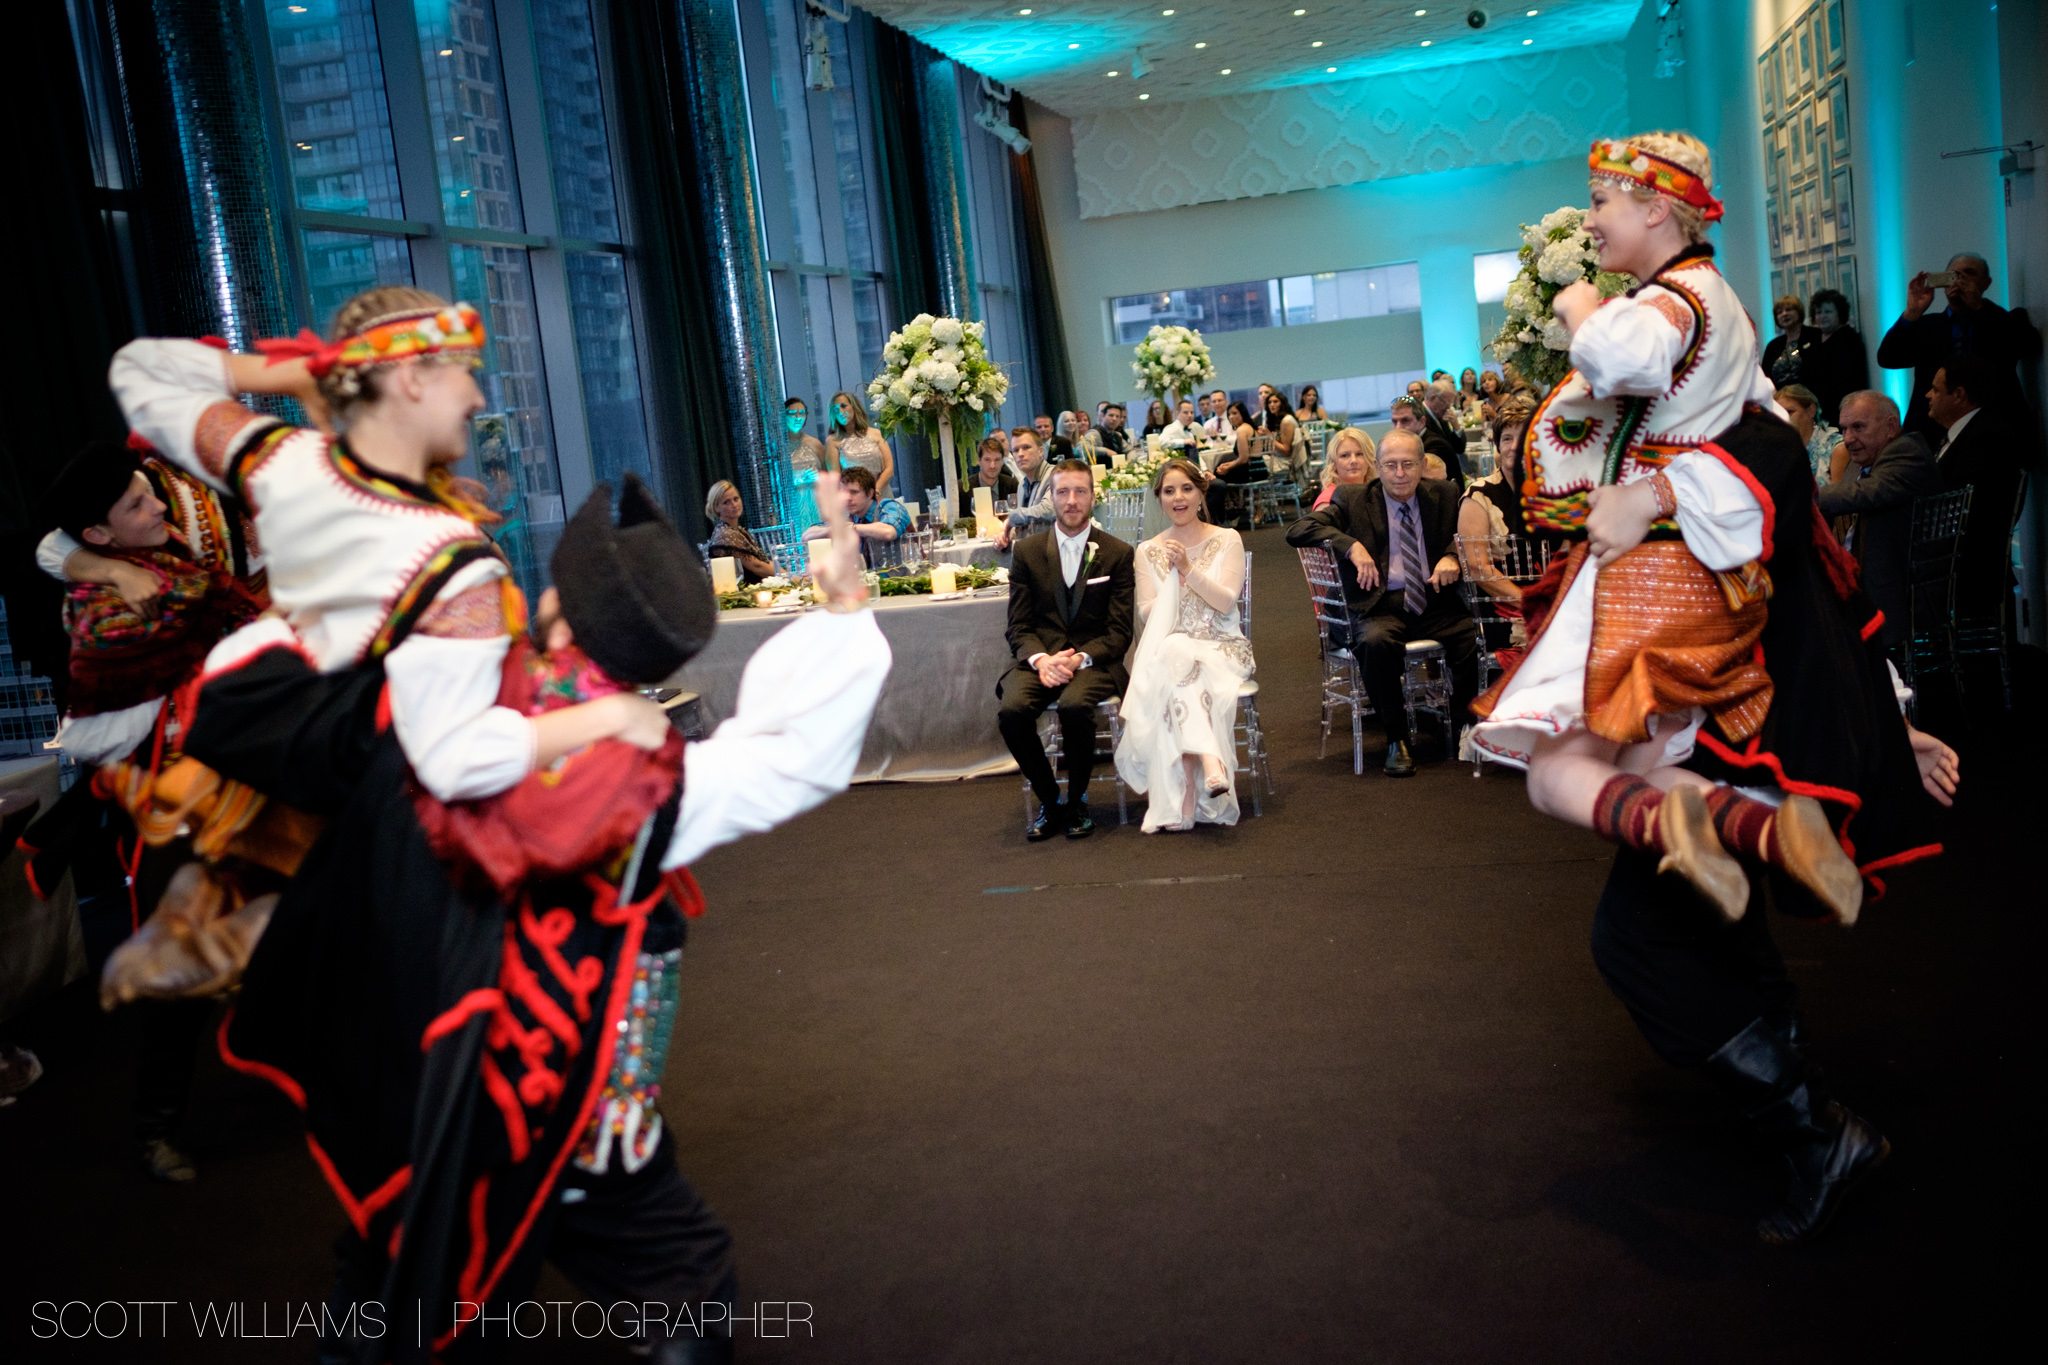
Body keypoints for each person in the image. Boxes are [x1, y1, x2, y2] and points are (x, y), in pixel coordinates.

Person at [192, 473, 890, 1364]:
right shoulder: (650, 769)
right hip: (578, 1100)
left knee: (404, 1271)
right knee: (679, 1282)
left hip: (432, 1081)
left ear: (556, 605)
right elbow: (796, 754)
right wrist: (842, 610)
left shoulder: (441, 704)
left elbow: (239, 705)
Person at [1471, 132, 1958, 1245]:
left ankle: (1808, 1125)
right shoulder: (1736, 415)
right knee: (1671, 895)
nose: (1589, 221)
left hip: (1687, 639)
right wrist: (1891, 714)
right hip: (1707, 646)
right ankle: (1799, 1103)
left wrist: (1572, 308)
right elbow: (1812, 573)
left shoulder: (1686, 320)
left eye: (1601, 201)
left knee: (1601, 870)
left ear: (1660, 208)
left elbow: (1632, 377)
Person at [106, 285, 664, 809]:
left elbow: (139, 371)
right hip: (390, 816)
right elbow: (454, 758)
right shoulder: (444, 553)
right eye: (464, 372)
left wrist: (296, 373)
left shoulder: (283, 462)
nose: (476, 397)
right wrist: (611, 716)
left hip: (300, 775)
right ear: (411, 378)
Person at [26, 439, 270, 1182]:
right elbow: (107, 725)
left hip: (247, 788)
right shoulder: (109, 602)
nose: (157, 506)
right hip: (173, 812)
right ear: (98, 534)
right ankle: (153, 1128)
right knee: (179, 978)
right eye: (138, 504)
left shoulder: (186, 544)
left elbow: (239, 605)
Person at [1286, 430, 1474, 776]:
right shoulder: (1353, 499)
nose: (1399, 473)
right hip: (1379, 604)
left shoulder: (1445, 494)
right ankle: (1396, 738)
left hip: (1431, 601)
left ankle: (1466, 726)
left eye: (1407, 464)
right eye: (1390, 465)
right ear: (1379, 467)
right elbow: (1298, 530)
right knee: (1375, 642)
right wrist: (1350, 546)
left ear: (1421, 465)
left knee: (1472, 635)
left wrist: (1451, 556)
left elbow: (1467, 537)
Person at [996, 459, 1136, 841]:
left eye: (1080, 491)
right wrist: (1042, 660)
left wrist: (1077, 658)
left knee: (1075, 707)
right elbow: (1019, 626)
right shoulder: (1026, 552)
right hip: (1040, 660)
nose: (1071, 500)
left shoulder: (1118, 553)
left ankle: (1077, 801)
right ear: (1051, 497)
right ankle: (1050, 799)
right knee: (1011, 712)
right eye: (1063, 492)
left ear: (1093, 496)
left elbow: (1119, 632)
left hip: (1094, 661)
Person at [1114, 459, 1253, 832]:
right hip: (1174, 649)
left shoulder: (1227, 539)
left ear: (1200, 492)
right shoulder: (1147, 550)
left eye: (1186, 489)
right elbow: (1145, 612)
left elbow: (1225, 601)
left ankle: (1186, 796)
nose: (1178, 498)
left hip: (1221, 645)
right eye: (1169, 491)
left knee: (1176, 660)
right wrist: (1172, 590)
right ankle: (1210, 763)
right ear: (1159, 498)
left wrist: (1188, 570)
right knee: (1176, 653)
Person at [1817, 392, 1939, 650]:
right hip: (1863, 582)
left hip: (1899, 592)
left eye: (1858, 427)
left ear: (1891, 427)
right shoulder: (1858, 462)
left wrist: (1802, 496)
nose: (1848, 439)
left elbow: (1864, 494)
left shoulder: (1908, 451)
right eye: (1844, 429)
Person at [1877, 252, 2037, 440]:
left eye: (1969, 273)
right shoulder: (1926, 325)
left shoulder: (2004, 320)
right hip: (1932, 429)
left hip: (1995, 429)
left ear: (1986, 283)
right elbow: (1888, 358)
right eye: (1953, 275)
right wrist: (1912, 312)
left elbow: (2027, 345)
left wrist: (1979, 305)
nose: (1960, 280)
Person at [1927, 352, 2026, 627]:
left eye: (1936, 389)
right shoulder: (1962, 434)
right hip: (1955, 564)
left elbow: (1957, 506)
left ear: (1958, 395)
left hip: (1969, 571)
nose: (1927, 395)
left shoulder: (1988, 436)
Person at [802, 463, 908, 565]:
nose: (848, 498)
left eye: (854, 492)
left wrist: (853, 528)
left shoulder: (888, 506)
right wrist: (835, 529)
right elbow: (806, 537)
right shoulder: (847, 515)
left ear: (870, 493)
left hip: (902, 579)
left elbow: (889, 532)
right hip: (864, 580)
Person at [1801, 288, 1869, 423]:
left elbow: (1844, 381)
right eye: (1818, 312)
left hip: (1841, 411)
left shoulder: (1849, 338)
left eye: (1828, 311)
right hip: (1817, 411)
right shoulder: (1815, 340)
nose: (1821, 316)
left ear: (1840, 313)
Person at [826, 389, 896, 499]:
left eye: (843, 406)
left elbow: (889, 469)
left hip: (881, 493)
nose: (840, 411)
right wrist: (858, 496)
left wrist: (875, 491)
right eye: (835, 410)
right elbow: (836, 478)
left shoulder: (876, 434)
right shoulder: (833, 441)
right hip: (854, 499)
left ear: (854, 407)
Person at [704, 479, 777, 584]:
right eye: (726, 502)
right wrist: (789, 578)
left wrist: (790, 576)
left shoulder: (739, 530)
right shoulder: (725, 533)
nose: (734, 505)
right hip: (741, 594)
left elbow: (765, 562)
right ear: (716, 508)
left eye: (736, 499)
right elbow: (757, 567)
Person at [997, 426, 1058, 551]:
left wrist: (1012, 518)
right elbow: (1025, 524)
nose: (1020, 454)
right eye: (1015, 450)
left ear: (1041, 451)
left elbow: (1049, 509)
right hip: (1033, 551)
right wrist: (1005, 536)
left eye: (1026, 447)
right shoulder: (1022, 485)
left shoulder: (1055, 475)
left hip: (1054, 552)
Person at [1205, 400, 1259, 530]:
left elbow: (1243, 459)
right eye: (1229, 414)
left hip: (1251, 472)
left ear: (1243, 414)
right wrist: (1227, 465)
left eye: (1235, 413)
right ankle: (1232, 510)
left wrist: (1228, 467)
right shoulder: (1250, 427)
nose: (1231, 417)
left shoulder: (1241, 430)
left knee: (1216, 480)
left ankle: (1224, 515)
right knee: (1220, 470)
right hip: (1257, 468)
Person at [1774, 383, 1842, 484]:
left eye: (1789, 411)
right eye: (1779, 414)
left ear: (1811, 410)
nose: (1783, 418)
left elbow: (1838, 497)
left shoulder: (1836, 448)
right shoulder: (1779, 451)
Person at [1391, 395, 1463, 490]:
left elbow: (1419, 487)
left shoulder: (1435, 445)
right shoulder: (1415, 443)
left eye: (1405, 421)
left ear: (1422, 422)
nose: (1398, 428)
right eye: (1395, 422)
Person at [1761, 294, 1815, 391]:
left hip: (1811, 395)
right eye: (1779, 312)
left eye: (1789, 310)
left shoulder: (1814, 336)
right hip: (1781, 398)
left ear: (1799, 312)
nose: (1784, 314)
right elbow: (1765, 377)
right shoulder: (1773, 346)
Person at [1314, 426, 1376, 509]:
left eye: (1359, 454)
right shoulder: (1328, 502)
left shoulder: (1377, 493)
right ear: (1334, 463)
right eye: (1345, 456)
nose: (1353, 460)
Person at [961, 432, 1020, 519]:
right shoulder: (963, 488)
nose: (992, 465)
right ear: (979, 461)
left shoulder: (1012, 484)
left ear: (1002, 461)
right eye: (987, 460)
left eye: (997, 460)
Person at [1259, 387, 1307, 487]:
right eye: (1270, 402)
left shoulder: (1286, 421)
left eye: (1275, 402)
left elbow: (1286, 451)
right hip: (1279, 459)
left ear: (1282, 403)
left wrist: (1269, 437)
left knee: (1253, 465)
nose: (1272, 405)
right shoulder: (1280, 419)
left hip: (1285, 463)